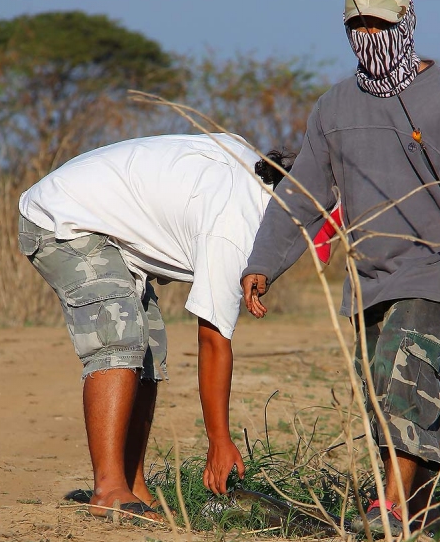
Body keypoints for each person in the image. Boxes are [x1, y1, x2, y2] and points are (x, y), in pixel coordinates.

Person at [242, 0, 440, 537]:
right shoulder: (334, 106)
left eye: (381, 25)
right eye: (358, 26)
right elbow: (303, 195)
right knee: (380, 393)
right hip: (365, 277)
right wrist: (262, 264)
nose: (370, 36)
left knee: (404, 376)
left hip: (428, 268)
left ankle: (388, 506)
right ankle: (417, 509)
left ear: (407, 24)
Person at [18, 133, 292, 520]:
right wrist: (219, 441)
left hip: (107, 231)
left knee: (149, 347)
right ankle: (109, 489)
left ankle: (133, 485)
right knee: (122, 337)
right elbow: (214, 338)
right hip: (62, 217)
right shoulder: (235, 225)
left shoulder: (258, 180)